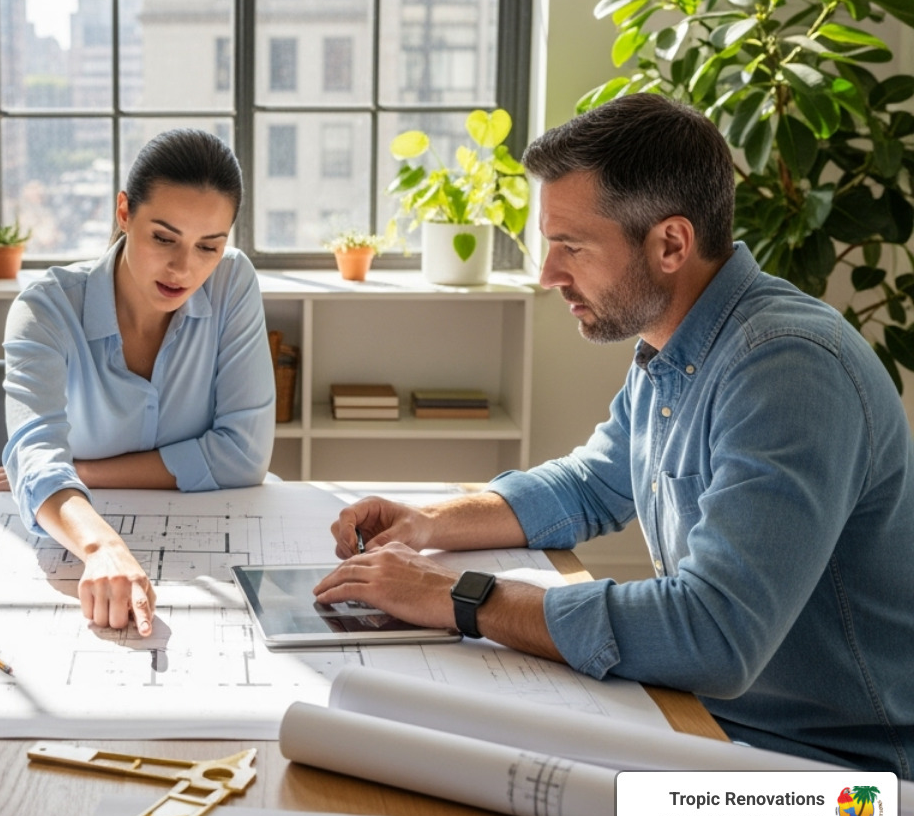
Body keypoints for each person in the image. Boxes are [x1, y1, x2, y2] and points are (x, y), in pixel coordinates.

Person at [314, 93, 914, 776]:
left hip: (847, 791)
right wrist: (429, 522)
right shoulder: (682, 343)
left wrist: (457, 597)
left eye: (571, 247)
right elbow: (593, 483)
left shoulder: (789, 367)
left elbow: (713, 632)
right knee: (449, 759)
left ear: (670, 244)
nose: (548, 276)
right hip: (715, 733)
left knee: (527, 800)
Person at [0, 129, 275, 637]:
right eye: (163, 237)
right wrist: (100, 546)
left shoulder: (233, 281)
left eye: (209, 246)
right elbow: (39, 466)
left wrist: (83, 470)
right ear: (124, 213)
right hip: (85, 539)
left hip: (214, 539)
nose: (185, 267)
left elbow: (243, 457)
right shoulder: (45, 309)